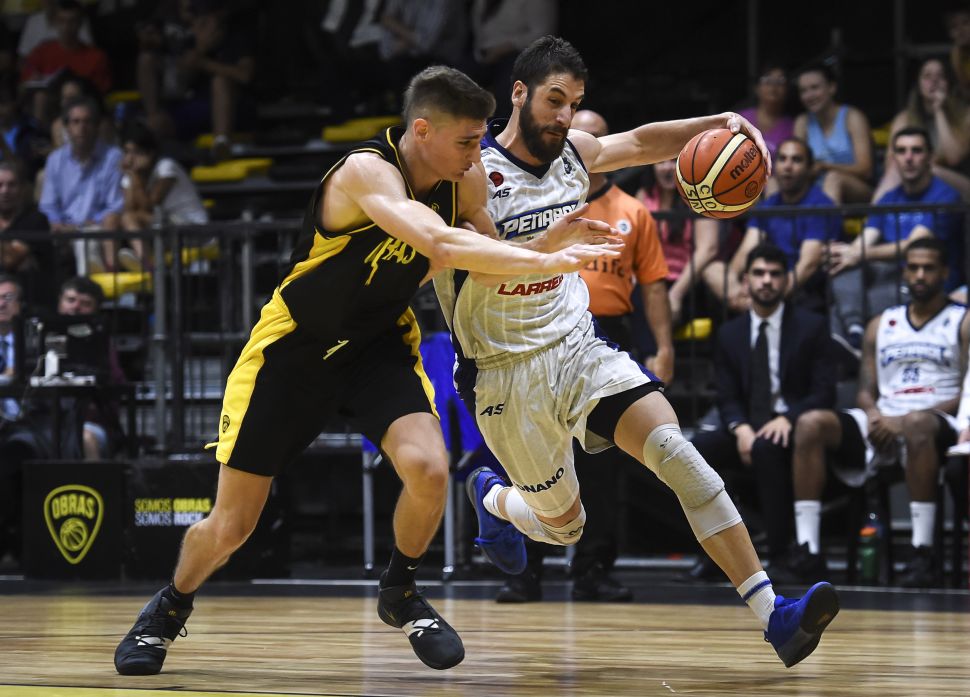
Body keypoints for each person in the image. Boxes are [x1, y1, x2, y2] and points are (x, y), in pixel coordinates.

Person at [113, 65, 620, 676]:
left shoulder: (465, 182)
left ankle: (400, 590)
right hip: (294, 350)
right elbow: (444, 245)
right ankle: (170, 606)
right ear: (422, 130)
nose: (477, 156)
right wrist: (551, 259)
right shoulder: (366, 172)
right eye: (466, 141)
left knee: (429, 469)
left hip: (376, 346)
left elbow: (484, 266)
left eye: (480, 140)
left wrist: (543, 247)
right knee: (232, 525)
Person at [441, 35, 839, 668]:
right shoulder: (470, 173)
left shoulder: (575, 155)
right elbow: (474, 263)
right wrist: (550, 243)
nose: (565, 115)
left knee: (677, 454)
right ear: (518, 93)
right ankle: (493, 500)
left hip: (575, 344)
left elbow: (642, 142)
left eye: (574, 103)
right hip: (503, 370)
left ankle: (776, 616)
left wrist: (718, 124)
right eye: (554, 100)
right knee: (563, 526)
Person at [495, 109, 672, 603]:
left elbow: (654, 286)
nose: (584, 144)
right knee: (534, 453)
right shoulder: (539, 198)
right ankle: (525, 572)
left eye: (594, 137)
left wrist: (664, 347)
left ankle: (592, 569)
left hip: (606, 333)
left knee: (603, 461)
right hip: (540, 330)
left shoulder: (633, 211)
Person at [792, 237, 969, 587]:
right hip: (884, 416)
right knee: (811, 424)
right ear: (904, 272)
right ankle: (807, 549)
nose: (920, 275)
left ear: (944, 273)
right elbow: (864, 389)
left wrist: (904, 421)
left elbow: (966, 391)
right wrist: (874, 415)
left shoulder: (961, 321)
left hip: (936, 419)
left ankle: (922, 553)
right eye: (913, 267)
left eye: (928, 268)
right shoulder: (881, 324)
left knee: (917, 424)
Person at [688, 244, 836, 580]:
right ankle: (716, 556)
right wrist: (739, 426)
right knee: (696, 451)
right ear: (745, 282)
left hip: (793, 430)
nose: (766, 281)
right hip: (747, 426)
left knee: (767, 449)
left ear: (786, 280)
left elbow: (823, 392)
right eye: (758, 273)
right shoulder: (730, 333)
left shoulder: (812, 326)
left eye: (774, 274)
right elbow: (726, 394)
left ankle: (781, 556)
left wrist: (790, 418)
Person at [828, 127, 963, 351]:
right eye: (901, 151)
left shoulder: (945, 196)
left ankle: (854, 338)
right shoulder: (889, 198)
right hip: (888, 276)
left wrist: (858, 253)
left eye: (916, 151)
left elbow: (914, 246)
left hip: (923, 280)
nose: (908, 158)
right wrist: (846, 254)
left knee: (839, 310)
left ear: (930, 157)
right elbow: (865, 240)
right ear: (893, 159)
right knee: (844, 267)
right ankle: (854, 332)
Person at [702, 138, 841, 315]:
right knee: (714, 270)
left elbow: (808, 264)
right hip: (765, 282)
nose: (788, 166)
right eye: (782, 159)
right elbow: (745, 251)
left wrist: (773, 299)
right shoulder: (768, 205)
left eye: (796, 160)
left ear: (810, 169)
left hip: (804, 289)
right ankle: (749, 307)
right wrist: (736, 283)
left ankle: (756, 310)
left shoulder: (820, 205)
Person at [38, 96, 123, 274]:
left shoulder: (113, 157)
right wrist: (57, 223)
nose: (81, 128)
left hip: (97, 229)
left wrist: (81, 227)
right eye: (75, 122)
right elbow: (48, 205)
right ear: (67, 128)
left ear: (97, 126)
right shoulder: (55, 160)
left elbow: (115, 205)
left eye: (87, 122)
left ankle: (87, 288)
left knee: (85, 242)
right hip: (62, 230)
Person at [635, 159, 720, 326]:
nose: (667, 168)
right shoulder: (644, 196)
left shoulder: (699, 198)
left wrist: (676, 294)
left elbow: (708, 248)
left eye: (674, 161)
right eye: (661, 162)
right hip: (651, 281)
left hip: (686, 283)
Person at [873, 56, 970, 202]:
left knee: (932, 170)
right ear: (918, 84)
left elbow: (953, 158)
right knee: (894, 170)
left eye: (940, 76)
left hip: (961, 185)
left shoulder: (965, 115)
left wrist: (939, 110)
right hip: (917, 181)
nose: (934, 81)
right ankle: (875, 214)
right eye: (927, 76)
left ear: (949, 82)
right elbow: (891, 161)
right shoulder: (904, 118)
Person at [118, 120, 208, 270]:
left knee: (132, 218)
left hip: (193, 228)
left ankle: (147, 266)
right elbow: (128, 211)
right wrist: (132, 178)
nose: (130, 158)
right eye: (127, 152)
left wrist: (135, 177)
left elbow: (150, 206)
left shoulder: (166, 167)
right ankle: (147, 265)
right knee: (127, 218)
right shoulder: (132, 176)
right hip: (167, 229)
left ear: (150, 153)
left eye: (136, 152)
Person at [55, 275, 126, 460]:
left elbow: (114, 385)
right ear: (60, 301)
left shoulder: (102, 344)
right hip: (44, 420)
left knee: (84, 438)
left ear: (96, 310)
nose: (75, 307)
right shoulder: (42, 336)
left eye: (85, 303)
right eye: (70, 300)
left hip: (89, 422)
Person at [20, 0, 111, 128]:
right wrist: (34, 79)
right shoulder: (42, 51)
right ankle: (38, 135)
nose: (66, 27)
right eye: (62, 21)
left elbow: (101, 93)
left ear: (80, 23)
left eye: (72, 21)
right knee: (40, 97)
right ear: (55, 22)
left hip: (83, 110)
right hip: (51, 108)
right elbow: (25, 82)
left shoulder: (96, 56)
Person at [793, 64, 874, 203]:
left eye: (815, 88)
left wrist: (825, 166)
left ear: (832, 87)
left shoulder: (852, 117)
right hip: (813, 189)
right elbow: (797, 165)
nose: (809, 96)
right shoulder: (802, 122)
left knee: (833, 179)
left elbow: (866, 170)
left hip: (856, 189)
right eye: (803, 91)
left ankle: (826, 218)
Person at [0, 161, 54, 306]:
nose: (5, 190)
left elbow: (10, 260)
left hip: (26, 298)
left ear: (22, 189)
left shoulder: (35, 220)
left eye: (11, 185)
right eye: (0, 185)